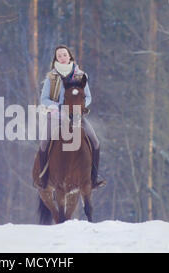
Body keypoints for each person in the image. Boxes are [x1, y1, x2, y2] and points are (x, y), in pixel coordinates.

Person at [37, 45, 104, 189]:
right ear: (56, 58)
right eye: (59, 55)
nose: (62, 57)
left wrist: (79, 106)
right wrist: (56, 106)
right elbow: (43, 99)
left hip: (76, 116)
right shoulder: (51, 77)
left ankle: (94, 177)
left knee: (95, 143)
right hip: (56, 116)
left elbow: (89, 97)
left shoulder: (81, 75)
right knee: (44, 144)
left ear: (70, 57)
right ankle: (43, 178)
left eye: (64, 55)